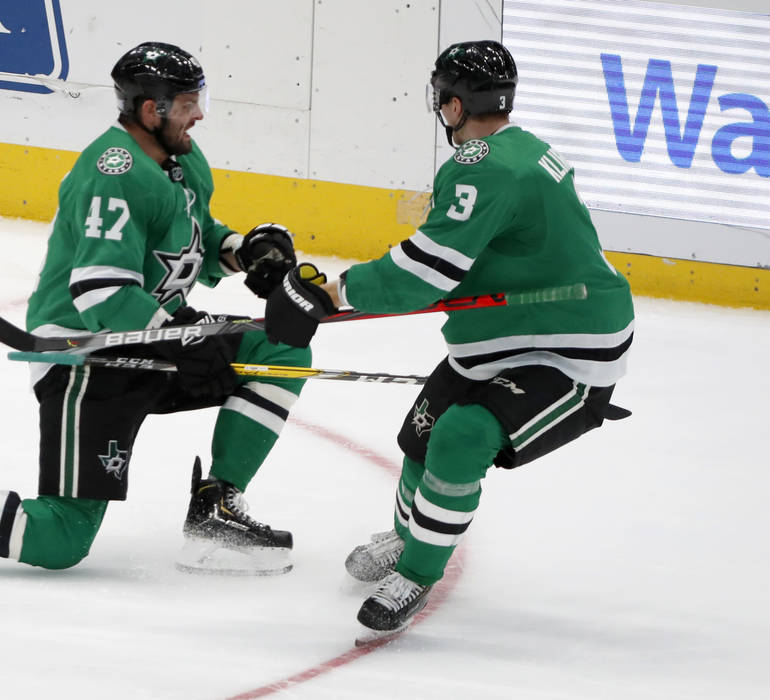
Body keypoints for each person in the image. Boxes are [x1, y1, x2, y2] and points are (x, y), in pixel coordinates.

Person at [0, 41, 310, 577]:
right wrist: (182, 334)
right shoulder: (113, 174)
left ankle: (217, 508)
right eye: (187, 104)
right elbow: (101, 291)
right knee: (62, 537)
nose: (199, 114)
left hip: (145, 343)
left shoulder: (181, 158)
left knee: (278, 349)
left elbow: (192, 237)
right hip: (84, 354)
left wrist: (243, 250)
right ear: (150, 109)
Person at [263, 40, 635, 639]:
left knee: (462, 437)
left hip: (570, 347)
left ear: (456, 104)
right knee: (421, 438)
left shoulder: (483, 165)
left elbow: (423, 272)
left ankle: (417, 569)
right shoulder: (521, 148)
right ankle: (412, 531)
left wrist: (330, 294)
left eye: (444, 98)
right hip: (504, 331)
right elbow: (475, 259)